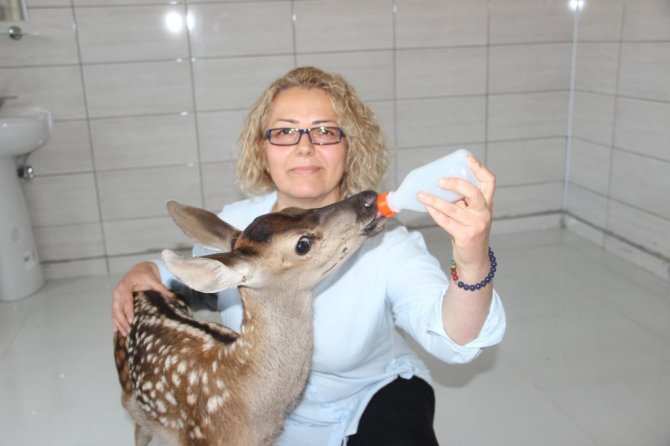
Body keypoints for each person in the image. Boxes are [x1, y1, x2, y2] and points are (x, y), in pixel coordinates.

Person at [112, 66, 506, 445]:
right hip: (250, 411)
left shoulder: (386, 244)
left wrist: (473, 261)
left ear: (350, 147)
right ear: (262, 149)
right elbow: (185, 276)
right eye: (285, 132)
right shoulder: (239, 229)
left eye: (325, 131)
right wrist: (145, 271)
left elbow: (457, 339)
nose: (304, 146)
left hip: (364, 399)